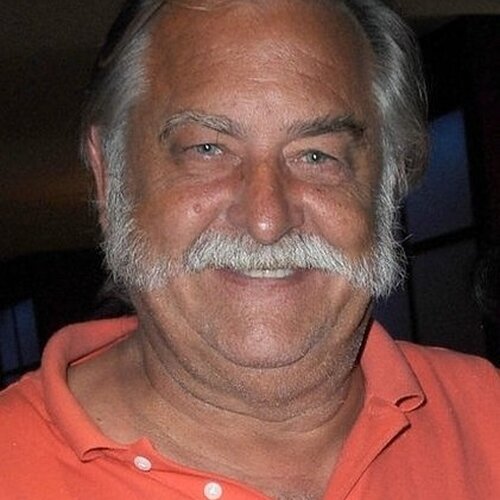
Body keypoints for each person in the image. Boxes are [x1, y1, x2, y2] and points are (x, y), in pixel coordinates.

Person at [1, 0, 498, 498]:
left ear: (387, 185)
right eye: (208, 149)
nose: (266, 220)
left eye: (316, 156)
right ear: (110, 179)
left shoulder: (486, 419)